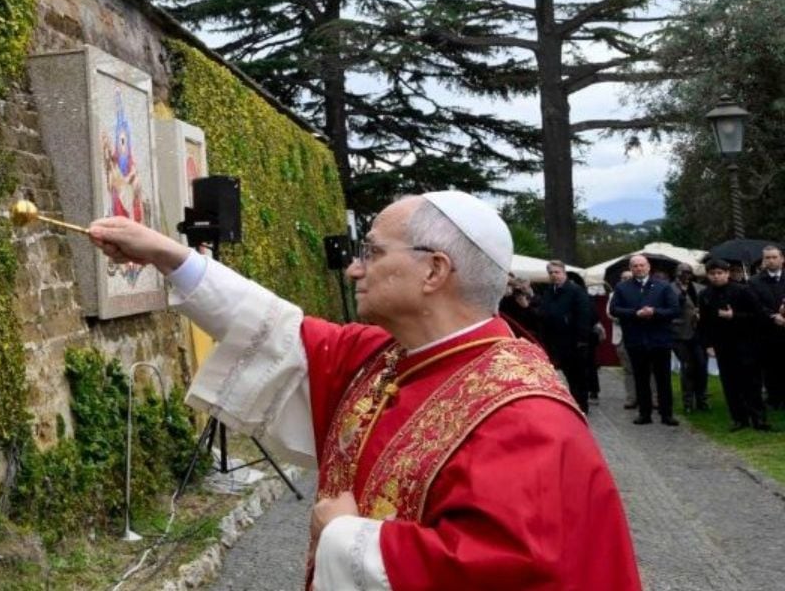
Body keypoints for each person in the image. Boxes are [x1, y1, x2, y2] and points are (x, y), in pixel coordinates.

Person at [87, 192, 637, 589]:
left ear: (433, 271)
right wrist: (168, 255)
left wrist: (347, 536)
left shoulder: (525, 417)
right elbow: (276, 329)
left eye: (371, 252)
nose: (353, 269)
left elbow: (505, 570)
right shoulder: (386, 355)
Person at [699, 258, 770, 431]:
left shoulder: (742, 291)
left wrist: (734, 316)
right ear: (708, 275)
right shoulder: (705, 295)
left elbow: (758, 315)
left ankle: (758, 419)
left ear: (727, 273)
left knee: (751, 383)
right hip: (722, 345)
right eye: (712, 274)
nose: (716, 277)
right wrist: (707, 344)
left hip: (746, 343)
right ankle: (739, 419)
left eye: (720, 273)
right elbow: (705, 322)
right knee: (730, 383)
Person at [610, 254, 681, 425]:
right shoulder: (622, 287)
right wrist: (635, 313)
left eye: (642, 265)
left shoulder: (663, 287)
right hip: (636, 340)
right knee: (640, 378)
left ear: (648, 267)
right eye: (635, 266)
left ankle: (666, 414)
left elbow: (674, 310)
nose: (639, 268)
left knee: (663, 379)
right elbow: (614, 309)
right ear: (630, 268)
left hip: (659, 340)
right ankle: (644, 413)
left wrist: (655, 312)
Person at [536, 260, 596, 413]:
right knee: (567, 376)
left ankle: (581, 407)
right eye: (551, 273)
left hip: (574, 342)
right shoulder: (550, 290)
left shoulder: (576, 290)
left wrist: (582, 340)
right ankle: (571, 404)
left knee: (578, 378)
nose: (554, 275)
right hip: (555, 341)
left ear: (564, 272)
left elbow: (584, 315)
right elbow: (544, 311)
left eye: (557, 272)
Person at [749, 245, 785, 411]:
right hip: (767, 332)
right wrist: (772, 316)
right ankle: (774, 398)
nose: (771, 261)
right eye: (767, 258)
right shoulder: (754, 281)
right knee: (771, 368)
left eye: (774, 257)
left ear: (782, 259)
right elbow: (755, 305)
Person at [672, 266, 709, 413]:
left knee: (701, 366)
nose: (685, 275)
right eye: (682, 272)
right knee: (687, 367)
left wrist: (701, 313)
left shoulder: (699, 288)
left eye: (688, 272)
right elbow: (670, 310)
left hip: (699, 333)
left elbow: (707, 306)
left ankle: (702, 400)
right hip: (680, 334)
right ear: (677, 273)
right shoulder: (670, 289)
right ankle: (688, 402)